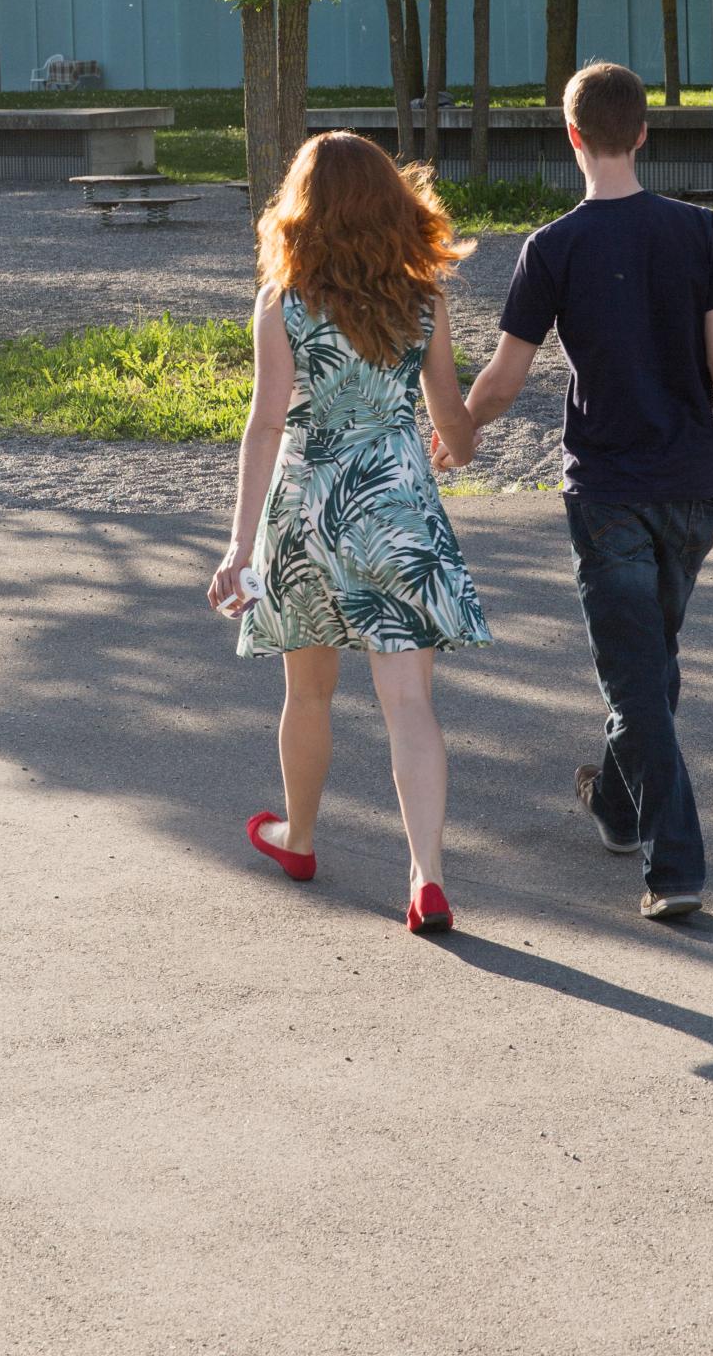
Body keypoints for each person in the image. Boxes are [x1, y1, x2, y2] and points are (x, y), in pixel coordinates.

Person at [436, 62, 713, 921]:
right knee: (649, 671)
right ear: (642, 133)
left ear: (570, 137)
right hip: (691, 489)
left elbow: (503, 376)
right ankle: (613, 805)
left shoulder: (552, 248)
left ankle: (675, 868)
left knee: (640, 680)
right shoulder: (699, 232)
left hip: (605, 492)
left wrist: (461, 437)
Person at [209, 132, 491, 935]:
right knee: (409, 703)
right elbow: (453, 427)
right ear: (391, 204)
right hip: (398, 506)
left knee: (309, 692)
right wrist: (462, 432)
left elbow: (265, 426)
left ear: (302, 209)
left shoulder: (283, 303)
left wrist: (239, 547)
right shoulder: (422, 298)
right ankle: (427, 877)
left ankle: (298, 839)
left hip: (309, 511)